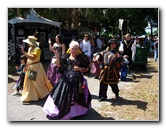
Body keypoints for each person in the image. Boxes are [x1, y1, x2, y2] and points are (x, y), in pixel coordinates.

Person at [43, 40, 92, 120]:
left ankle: (76, 112)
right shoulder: (66, 56)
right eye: (73, 48)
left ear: (78, 49)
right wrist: (58, 55)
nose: (74, 50)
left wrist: (79, 68)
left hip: (77, 79)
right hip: (65, 79)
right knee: (60, 95)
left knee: (77, 96)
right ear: (70, 48)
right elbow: (59, 65)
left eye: (76, 48)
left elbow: (87, 68)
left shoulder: (81, 57)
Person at [20, 36, 52, 103]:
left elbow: (32, 58)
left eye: (28, 42)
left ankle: (43, 93)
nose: (27, 43)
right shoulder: (29, 48)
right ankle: (32, 96)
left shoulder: (37, 49)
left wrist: (24, 52)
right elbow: (29, 59)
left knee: (38, 82)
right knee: (30, 82)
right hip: (30, 67)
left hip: (36, 67)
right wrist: (26, 65)